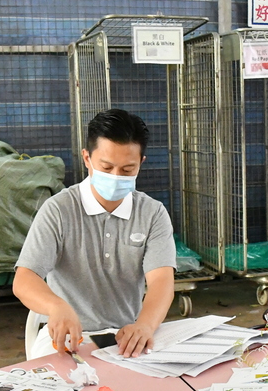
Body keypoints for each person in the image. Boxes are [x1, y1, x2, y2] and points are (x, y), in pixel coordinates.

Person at [14, 108, 176, 359]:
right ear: (87, 158)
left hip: (127, 334)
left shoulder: (152, 213)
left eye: (127, 170)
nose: (115, 177)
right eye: (106, 167)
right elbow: (25, 278)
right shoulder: (59, 209)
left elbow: (161, 281)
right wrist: (56, 306)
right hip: (67, 335)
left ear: (141, 164)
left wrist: (145, 325)